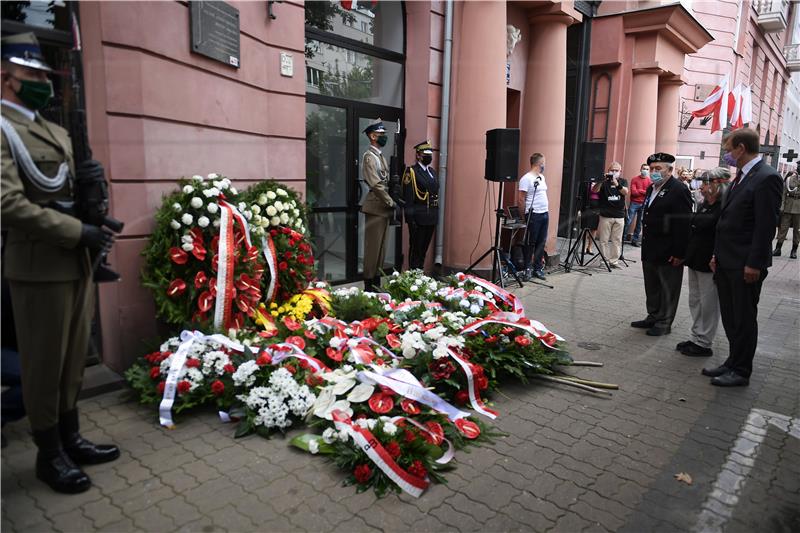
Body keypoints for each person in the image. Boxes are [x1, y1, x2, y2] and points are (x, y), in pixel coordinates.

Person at [1, 33, 120, 493]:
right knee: (43, 365)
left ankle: (70, 438)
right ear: (6, 78)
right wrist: (79, 231)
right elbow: (8, 203)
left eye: (44, 77)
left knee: (73, 360)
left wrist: (93, 196)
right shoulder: (4, 128)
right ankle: (48, 454)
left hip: (76, 264)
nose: (44, 85)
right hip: (37, 266)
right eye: (33, 76)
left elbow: (64, 192)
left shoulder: (51, 129)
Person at [703, 128, 783, 387]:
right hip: (727, 260)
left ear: (740, 148)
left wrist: (755, 263)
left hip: (745, 263)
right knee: (730, 315)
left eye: (728, 149)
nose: (727, 154)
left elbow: (765, 226)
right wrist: (716, 253)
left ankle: (741, 370)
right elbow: (726, 220)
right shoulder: (742, 177)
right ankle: (731, 361)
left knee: (744, 318)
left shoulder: (766, 177)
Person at [630, 152, 692, 336]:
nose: (654, 172)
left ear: (670, 170)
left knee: (668, 287)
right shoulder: (651, 188)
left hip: (669, 250)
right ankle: (653, 315)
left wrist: (679, 252)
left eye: (658, 169)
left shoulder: (679, 189)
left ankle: (664, 322)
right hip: (651, 247)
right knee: (652, 285)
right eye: (652, 169)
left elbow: (683, 223)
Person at [676, 168, 728, 357]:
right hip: (696, 258)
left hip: (710, 261)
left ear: (718, 184)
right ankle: (696, 336)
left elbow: (723, 235)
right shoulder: (705, 203)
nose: (702, 187)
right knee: (695, 300)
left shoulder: (723, 206)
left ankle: (705, 342)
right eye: (702, 183)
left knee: (709, 304)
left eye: (706, 183)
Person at [360, 118, 396, 291]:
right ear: (372, 136)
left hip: (383, 206)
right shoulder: (369, 157)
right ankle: (369, 284)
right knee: (373, 248)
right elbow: (376, 183)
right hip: (376, 205)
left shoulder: (380, 156)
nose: (384, 137)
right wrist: (390, 201)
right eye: (381, 134)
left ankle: (376, 281)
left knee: (381, 248)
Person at [402, 140, 439, 271]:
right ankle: (413, 277)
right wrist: (410, 220)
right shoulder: (411, 172)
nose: (429, 156)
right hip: (418, 219)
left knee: (423, 250)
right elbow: (408, 197)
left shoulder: (432, 172)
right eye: (425, 154)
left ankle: (420, 276)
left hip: (431, 217)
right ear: (418, 155)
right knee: (416, 251)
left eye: (430, 154)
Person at [517, 153, 549, 280]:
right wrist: (524, 216)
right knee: (531, 242)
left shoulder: (542, 177)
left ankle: (537, 267)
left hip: (544, 213)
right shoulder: (527, 178)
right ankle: (527, 268)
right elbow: (521, 199)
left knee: (541, 242)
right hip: (533, 214)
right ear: (539, 164)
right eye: (544, 162)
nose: (545, 165)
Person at [592, 161, 628, 268]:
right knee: (604, 240)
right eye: (612, 170)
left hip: (619, 215)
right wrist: (601, 180)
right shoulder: (604, 182)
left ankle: (614, 261)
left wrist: (617, 184)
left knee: (617, 240)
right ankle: (604, 261)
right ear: (608, 171)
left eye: (616, 171)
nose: (614, 172)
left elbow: (625, 192)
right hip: (605, 216)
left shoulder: (623, 181)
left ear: (620, 172)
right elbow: (595, 190)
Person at [772, 170, 799, 259]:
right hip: (788, 207)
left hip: (799, 209)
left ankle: (794, 250)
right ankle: (778, 249)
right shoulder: (789, 179)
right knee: (783, 228)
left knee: (797, 231)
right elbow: (783, 193)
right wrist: (782, 206)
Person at [625, 163, 651, 247]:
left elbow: (648, 193)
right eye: (644, 168)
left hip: (644, 204)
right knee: (628, 221)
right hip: (634, 203)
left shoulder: (650, 181)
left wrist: (639, 190)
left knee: (639, 223)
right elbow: (634, 192)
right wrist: (643, 191)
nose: (645, 170)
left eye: (647, 169)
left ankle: (635, 240)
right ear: (640, 169)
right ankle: (622, 238)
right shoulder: (634, 179)